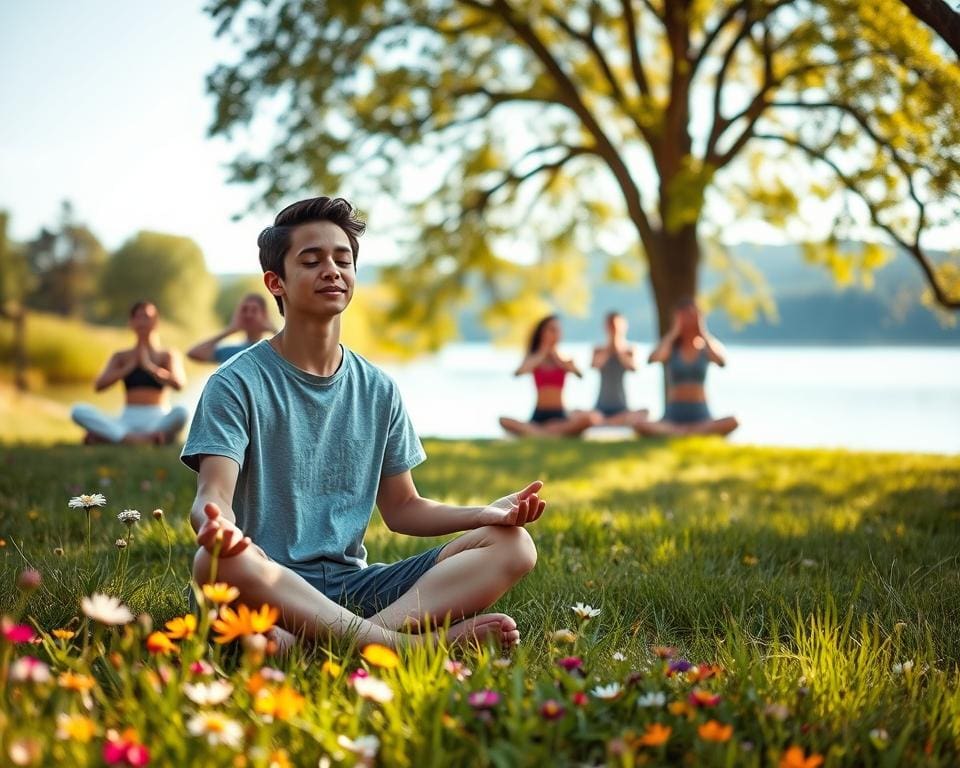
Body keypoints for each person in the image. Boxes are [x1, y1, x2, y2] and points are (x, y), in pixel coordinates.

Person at [183, 197, 544, 652]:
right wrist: (218, 526)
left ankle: (324, 641)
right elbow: (213, 495)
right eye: (311, 261)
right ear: (276, 282)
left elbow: (404, 508)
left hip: (356, 586)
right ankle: (405, 647)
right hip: (267, 579)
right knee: (213, 562)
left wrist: (484, 514)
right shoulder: (235, 382)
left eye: (343, 260)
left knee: (514, 545)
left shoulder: (378, 388)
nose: (331, 271)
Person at [71, 301, 188, 445]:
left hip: (157, 416)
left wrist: (150, 368)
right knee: (78, 410)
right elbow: (99, 386)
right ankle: (143, 439)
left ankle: (113, 437)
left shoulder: (167, 355)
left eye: (147, 317)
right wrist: (128, 368)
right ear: (131, 323)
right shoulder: (122, 356)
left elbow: (179, 384)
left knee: (182, 412)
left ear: (156, 322)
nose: (142, 322)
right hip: (127, 417)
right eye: (138, 317)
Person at [635, 299, 738, 437]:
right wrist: (674, 331)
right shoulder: (670, 348)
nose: (688, 321)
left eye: (692, 316)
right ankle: (686, 431)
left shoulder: (706, 347)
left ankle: (682, 431)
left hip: (701, 413)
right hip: (673, 413)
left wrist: (703, 331)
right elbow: (652, 359)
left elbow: (721, 361)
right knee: (639, 424)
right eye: (684, 317)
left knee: (733, 421)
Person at [498, 315, 600, 438]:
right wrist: (543, 352)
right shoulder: (534, 359)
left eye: (558, 330)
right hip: (539, 414)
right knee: (503, 420)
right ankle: (549, 432)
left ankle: (540, 433)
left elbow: (579, 375)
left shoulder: (565, 359)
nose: (556, 333)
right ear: (542, 333)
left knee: (590, 419)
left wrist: (556, 356)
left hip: (560, 414)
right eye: (552, 330)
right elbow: (518, 373)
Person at [590, 311, 649, 427]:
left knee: (645, 412)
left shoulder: (628, 350)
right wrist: (609, 347)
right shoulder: (598, 349)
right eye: (611, 326)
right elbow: (595, 365)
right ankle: (611, 421)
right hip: (601, 406)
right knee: (576, 412)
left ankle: (607, 422)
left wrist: (618, 348)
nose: (613, 329)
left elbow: (633, 368)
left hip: (622, 407)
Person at [186, 293, 276, 364]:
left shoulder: (272, 350)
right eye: (244, 310)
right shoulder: (231, 351)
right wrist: (231, 329)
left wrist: (272, 329)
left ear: (265, 315)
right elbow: (193, 353)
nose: (248, 315)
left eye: (254, 310)